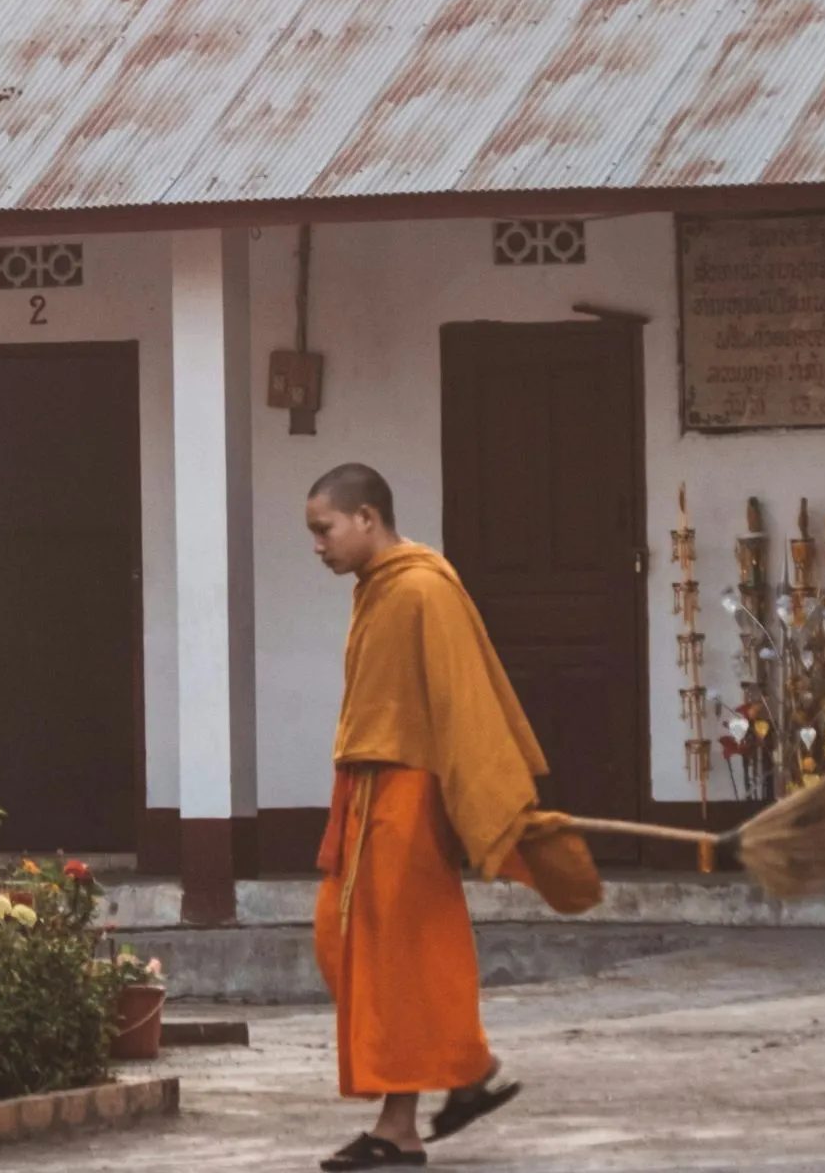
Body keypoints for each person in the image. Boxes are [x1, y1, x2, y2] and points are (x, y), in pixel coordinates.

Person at [304, 463, 601, 1171]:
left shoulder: (422, 589)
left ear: (367, 518)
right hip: (368, 793)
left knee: (396, 955)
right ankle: (465, 1070)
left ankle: (399, 1128)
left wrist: (495, 802)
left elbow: (465, 704)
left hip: (405, 798)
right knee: (357, 946)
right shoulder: (379, 588)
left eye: (324, 529)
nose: (318, 545)